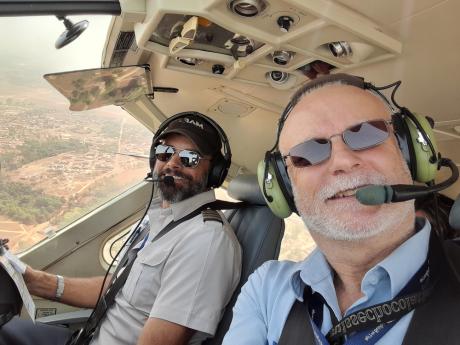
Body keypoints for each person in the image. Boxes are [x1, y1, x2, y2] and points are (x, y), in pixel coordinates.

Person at [222, 74, 460, 345]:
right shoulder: (267, 289)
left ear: (410, 152)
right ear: (284, 187)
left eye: (368, 134)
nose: (344, 161)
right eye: (308, 153)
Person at [0, 112, 242, 345]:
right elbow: (119, 288)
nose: (172, 163)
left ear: (215, 172)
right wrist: (30, 279)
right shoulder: (164, 220)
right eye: (164, 153)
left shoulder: (205, 240)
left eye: (190, 157)